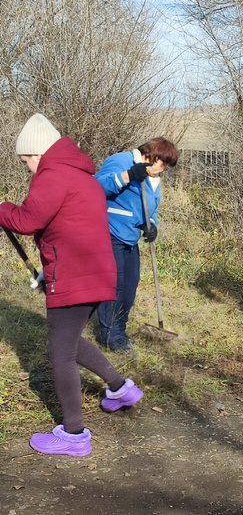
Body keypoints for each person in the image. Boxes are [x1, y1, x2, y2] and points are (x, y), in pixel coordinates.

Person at [0, 114, 143, 457]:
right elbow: (57, 223)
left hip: (73, 275)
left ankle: (74, 435)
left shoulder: (52, 175)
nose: (27, 169)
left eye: (26, 161)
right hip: (96, 274)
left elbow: (26, 220)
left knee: (60, 352)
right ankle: (120, 389)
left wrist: (2, 208)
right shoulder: (83, 177)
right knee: (70, 340)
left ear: (37, 153)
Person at [94, 138, 178, 351]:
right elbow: (97, 187)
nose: (164, 169)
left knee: (130, 285)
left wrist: (151, 224)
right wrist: (129, 175)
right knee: (115, 285)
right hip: (109, 232)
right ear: (153, 155)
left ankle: (120, 332)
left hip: (130, 236)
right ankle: (110, 337)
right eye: (164, 163)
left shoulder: (153, 178)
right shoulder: (121, 161)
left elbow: (151, 206)